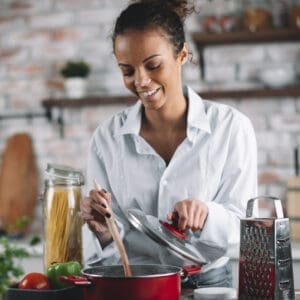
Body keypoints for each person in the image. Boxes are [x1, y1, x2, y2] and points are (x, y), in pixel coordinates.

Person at [80, 0, 257, 289]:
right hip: (134, 285)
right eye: (127, 70)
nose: (141, 80)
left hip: (208, 285)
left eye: (153, 65)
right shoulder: (106, 138)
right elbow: (105, 247)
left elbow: (243, 228)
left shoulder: (231, 128)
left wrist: (207, 214)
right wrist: (103, 232)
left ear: (182, 54)